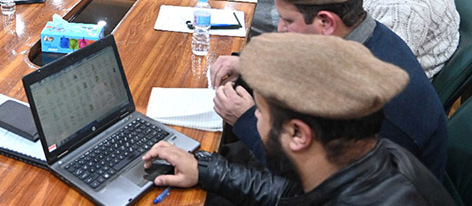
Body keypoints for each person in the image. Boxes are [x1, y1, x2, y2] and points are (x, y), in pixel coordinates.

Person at [143, 33, 454, 206]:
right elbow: (290, 194)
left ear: (298, 134)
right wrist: (205, 169)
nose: (254, 120)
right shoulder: (363, 158)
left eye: (259, 112)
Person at [212, 0, 448, 179]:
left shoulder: (367, 96)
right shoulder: (363, 34)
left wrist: (246, 122)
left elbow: (312, 178)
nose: (280, 29)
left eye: (288, 20)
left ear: (325, 22)